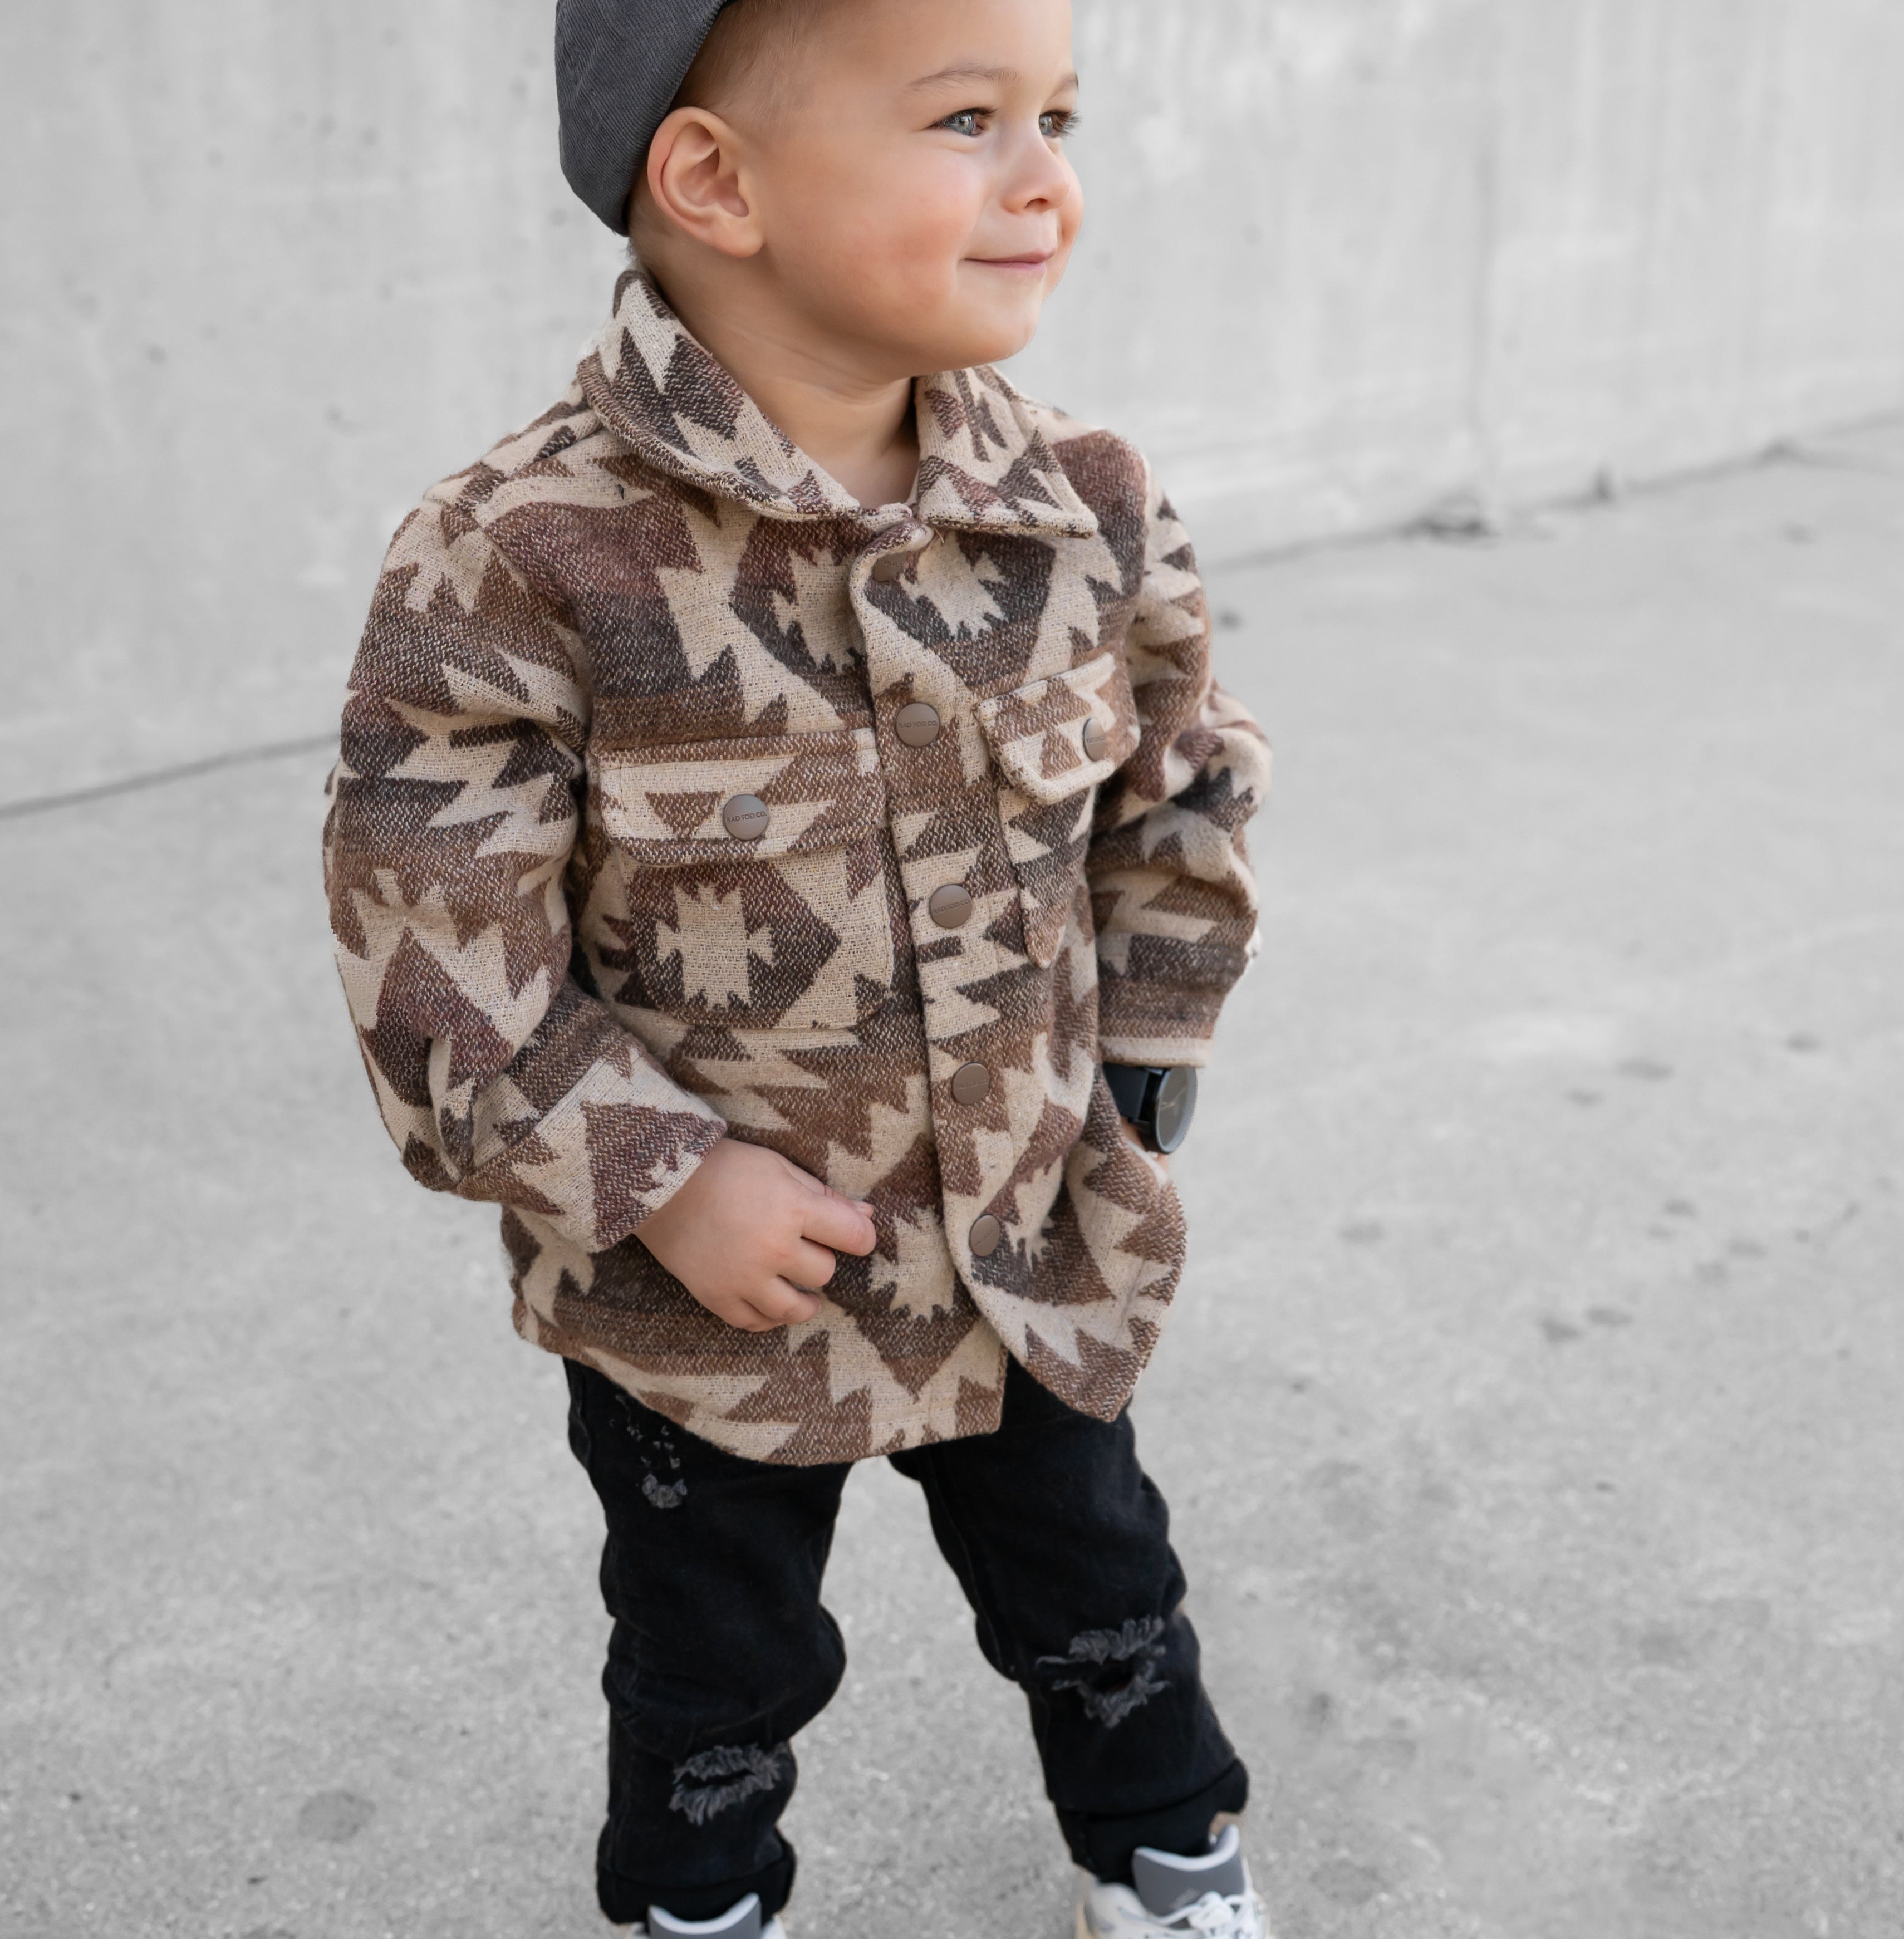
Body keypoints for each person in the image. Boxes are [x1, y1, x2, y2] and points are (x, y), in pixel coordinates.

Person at [322, 1, 1273, 1932]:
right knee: (710, 1676)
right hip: (710, 1317)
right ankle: (701, 1900)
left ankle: (1166, 1850)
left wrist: (1141, 1069)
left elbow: (1180, 782)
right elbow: (435, 935)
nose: (1048, 181)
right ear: (715, 181)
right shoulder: (527, 556)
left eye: (1059, 114)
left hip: (1027, 1242)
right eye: (966, 119)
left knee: (1105, 1603)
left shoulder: (1076, 501)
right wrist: (657, 1176)